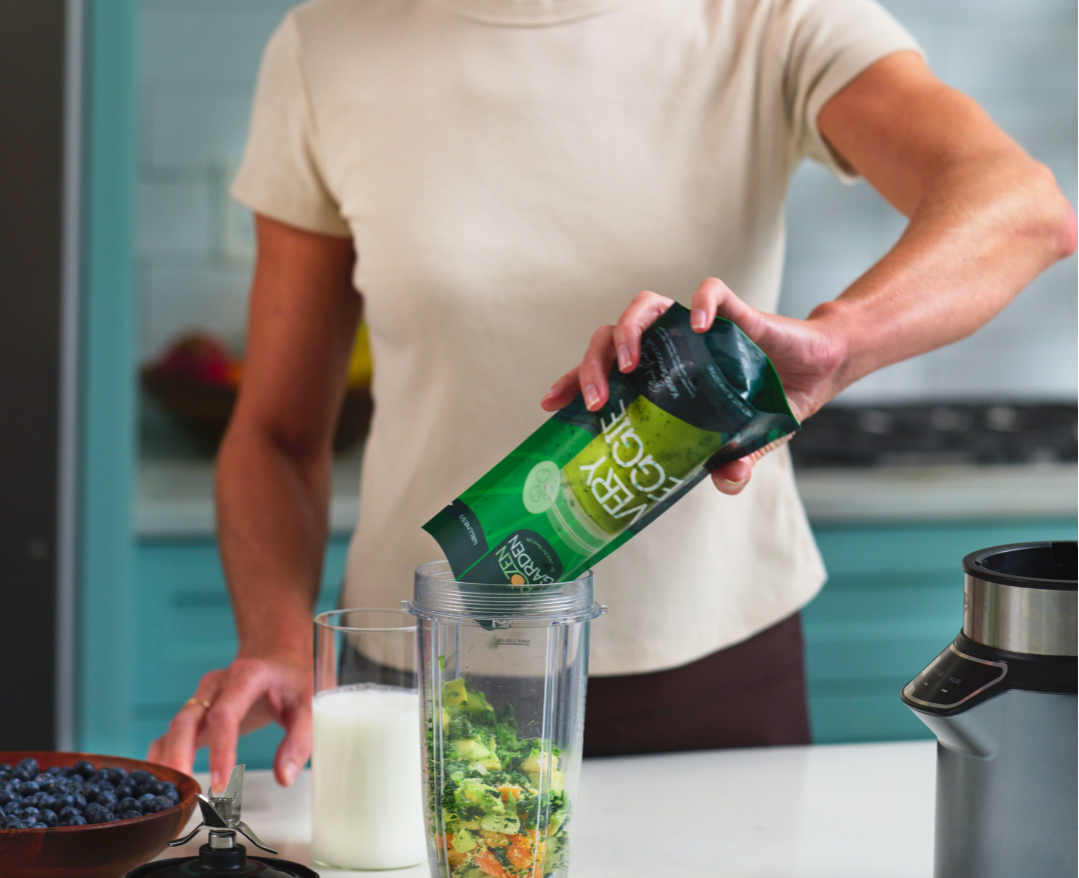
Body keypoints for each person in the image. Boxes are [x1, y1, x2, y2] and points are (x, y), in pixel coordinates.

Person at [149, 0, 1076, 789]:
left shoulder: (766, 17)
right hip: (418, 682)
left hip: (714, 681)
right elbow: (272, 432)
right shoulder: (327, 45)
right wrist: (274, 638)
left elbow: (1018, 206)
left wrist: (838, 342)